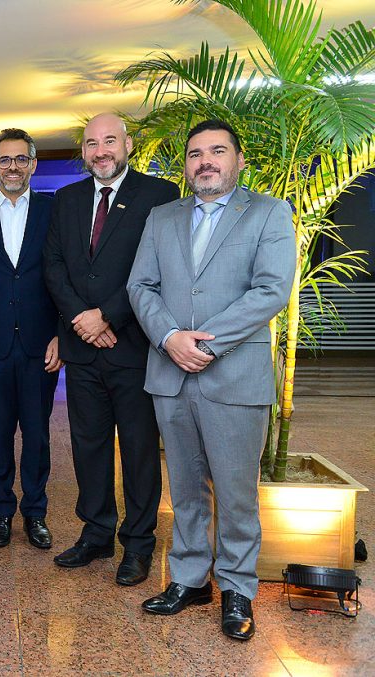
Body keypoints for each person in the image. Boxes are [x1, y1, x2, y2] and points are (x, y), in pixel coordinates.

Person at [128, 119, 295, 640]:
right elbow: (140, 285)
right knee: (185, 488)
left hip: (235, 376)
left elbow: (271, 290)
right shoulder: (162, 217)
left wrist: (202, 343)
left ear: (238, 160)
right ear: (186, 165)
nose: (205, 161)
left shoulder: (268, 212)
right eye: (196, 153)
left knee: (236, 491)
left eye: (217, 151)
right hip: (170, 373)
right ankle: (189, 579)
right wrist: (169, 337)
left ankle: (238, 588)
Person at [44, 113, 180, 585]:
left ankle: (139, 544)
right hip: (82, 349)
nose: (100, 151)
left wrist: (108, 316)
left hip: (133, 346)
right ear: (83, 151)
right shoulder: (66, 199)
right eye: (91, 143)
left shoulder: (159, 195)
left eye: (109, 141)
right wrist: (82, 319)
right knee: (88, 446)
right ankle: (96, 532)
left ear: (127, 144)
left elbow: (161, 266)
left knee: (139, 450)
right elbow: (54, 265)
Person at [0, 128, 63, 550]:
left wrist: (62, 334)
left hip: (42, 344)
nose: (13, 167)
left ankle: (35, 513)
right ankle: (1, 511)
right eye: (5, 160)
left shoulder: (55, 211)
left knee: (37, 436)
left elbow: (67, 277)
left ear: (33, 164)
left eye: (21, 159)